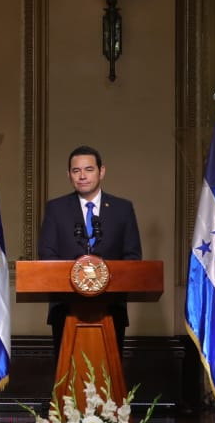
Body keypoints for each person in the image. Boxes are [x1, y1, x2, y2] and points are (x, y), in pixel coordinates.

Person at [38, 145, 142, 363]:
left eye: (88, 169)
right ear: (69, 175)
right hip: (66, 309)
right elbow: (47, 256)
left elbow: (132, 258)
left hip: (111, 309)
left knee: (109, 376)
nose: (82, 176)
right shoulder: (56, 209)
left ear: (101, 171)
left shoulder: (122, 209)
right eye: (76, 171)